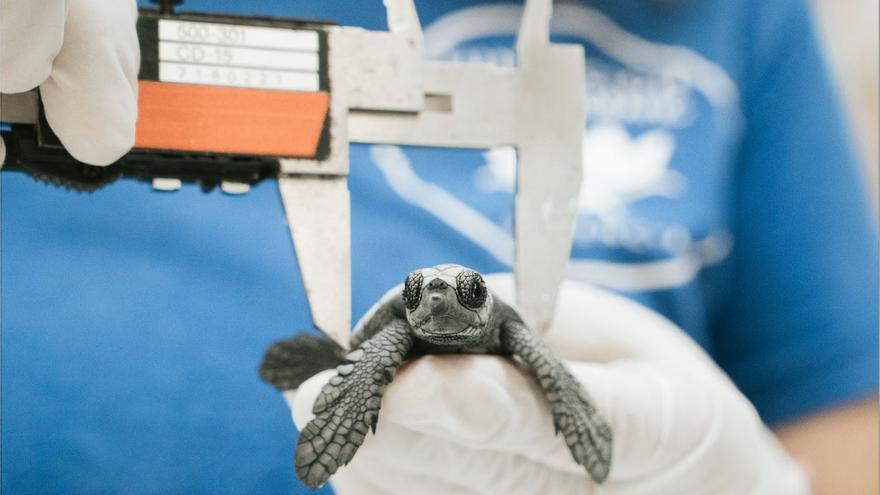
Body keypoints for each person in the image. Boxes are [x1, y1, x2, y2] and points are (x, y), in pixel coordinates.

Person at [1, 0, 875, 494]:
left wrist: (751, 485)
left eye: (454, 299)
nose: (443, 310)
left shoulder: (742, 20)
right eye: (431, 300)